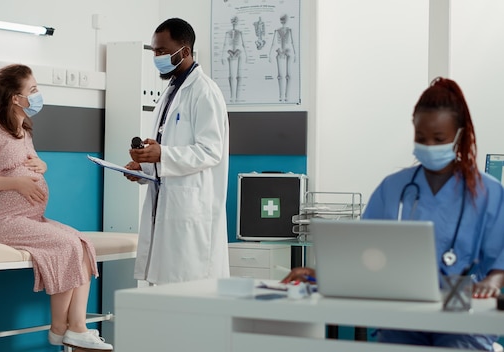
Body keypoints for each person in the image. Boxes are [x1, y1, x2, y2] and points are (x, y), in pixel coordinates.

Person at [282, 77, 504, 350]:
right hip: (402, 314)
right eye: (421, 138)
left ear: (459, 135)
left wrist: (493, 281)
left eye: (439, 139)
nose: (430, 146)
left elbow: (499, 261)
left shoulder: (488, 191)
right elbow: (363, 253)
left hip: (460, 311)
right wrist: (321, 273)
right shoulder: (393, 188)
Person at [0, 64, 112, 351]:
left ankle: (76, 326)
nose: (38, 94)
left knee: (81, 243)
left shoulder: (22, 130)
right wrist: (18, 184)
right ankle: (61, 328)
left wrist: (42, 166)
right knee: (67, 244)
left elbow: (26, 164)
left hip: (28, 216)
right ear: (14, 98)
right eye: (32, 90)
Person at [124, 18, 230, 285]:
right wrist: (146, 166)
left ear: (184, 51)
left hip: (192, 210)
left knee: (189, 290)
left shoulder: (204, 91)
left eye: (161, 51)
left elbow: (210, 151)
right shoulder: (171, 90)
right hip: (167, 202)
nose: (156, 57)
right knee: (164, 290)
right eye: (154, 51)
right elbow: (169, 147)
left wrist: (162, 155)